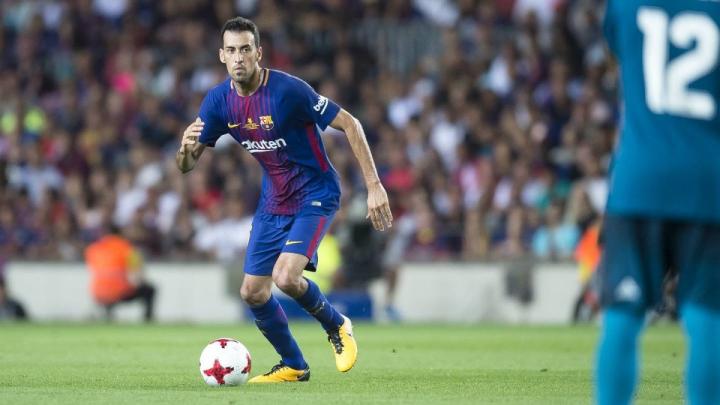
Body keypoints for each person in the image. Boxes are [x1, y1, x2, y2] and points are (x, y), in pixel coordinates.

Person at [176, 17, 392, 383]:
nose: (239, 58)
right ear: (222, 56)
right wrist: (184, 150)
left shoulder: (288, 91)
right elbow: (187, 165)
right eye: (231, 50)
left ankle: (337, 325)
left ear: (258, 53)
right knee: (252, 292)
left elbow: (351, 124)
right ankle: (294, 364)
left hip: (316, 193)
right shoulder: (218, 102)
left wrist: (374, 185)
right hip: (274, 202)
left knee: (286, 277)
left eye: (246, 49)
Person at [598, 1, 720, 404]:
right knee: (706, 316)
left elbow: (617, 49)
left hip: (639, 179)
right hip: (707, 183)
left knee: (623, 314)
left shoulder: (626, 6)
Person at [85, 226, 156, 322]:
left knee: (108, 291)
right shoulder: (126, 247)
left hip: (98, 292)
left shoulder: (92, 249)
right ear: (120, 234)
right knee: (149, 290)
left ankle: (108, 314)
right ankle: (148, 319)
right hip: (119, 292)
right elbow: (138, 273)